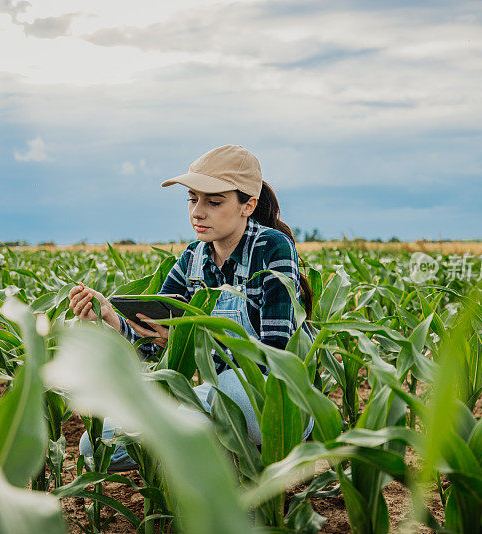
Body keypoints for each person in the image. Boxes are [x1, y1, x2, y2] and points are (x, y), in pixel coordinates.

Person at [68, 144, 314, 472]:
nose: (198, 212)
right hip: (211, 399)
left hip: (271, 405)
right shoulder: (193, 257)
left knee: (220, 393)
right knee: (99, 445)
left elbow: (276, 356)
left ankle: (219, 480)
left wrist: (195, 344)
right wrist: (110, 318)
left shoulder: (271, 247)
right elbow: (155, 344)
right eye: (192, 199)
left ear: (248, 205)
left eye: (213, 202)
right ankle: (204, 460)